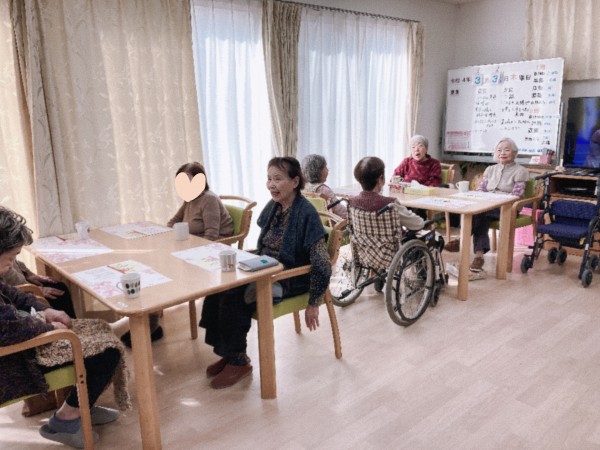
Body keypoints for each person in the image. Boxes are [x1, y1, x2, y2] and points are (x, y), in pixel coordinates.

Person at [0, 206, 128, 448]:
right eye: (11, 257)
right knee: (107, 352)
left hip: (20, 342)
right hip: (12, 362)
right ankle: (65, 420)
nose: (13, 263)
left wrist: (45, 310)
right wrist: (49, 328)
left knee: (97, 332)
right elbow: (9, 329)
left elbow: (14, 295)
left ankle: (82, 406)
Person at [199, 156, 331, 389]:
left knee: (234, 294)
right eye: (269, 178)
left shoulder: (306, 214)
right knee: (219, 286)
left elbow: (322, 262)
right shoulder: (274, 206)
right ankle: (230, 353)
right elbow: (263, 247)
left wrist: (314, 302)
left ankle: (239, 361)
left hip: (288, 278)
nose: (271, 184)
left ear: (295, 182)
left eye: (277, 179)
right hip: (264, 268)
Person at [120, 162, 234, 348]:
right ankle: (151, 321)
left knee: (164, 270)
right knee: (153, 266)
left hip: (213, 251)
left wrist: (187, 251)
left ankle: (152, 323)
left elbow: (212, 236)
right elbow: (173, 221)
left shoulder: (209, 200)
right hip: (192, 245)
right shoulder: (189, 199)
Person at [445, 138, 530, 272]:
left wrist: (496, 200)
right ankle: (479, 257)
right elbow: (481, 190)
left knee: (479, 214)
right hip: (488, 206)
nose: (502, 153)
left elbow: (516, 195)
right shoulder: (490, 169)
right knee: (479, 215)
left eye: (507, 150)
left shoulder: (521, 171)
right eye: (499, 150)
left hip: (507, 206)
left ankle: (462, 240)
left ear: (514, 153)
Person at [1, 259, 76, 318]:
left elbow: (14, 260)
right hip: (18, 290)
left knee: (58, 285)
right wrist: (35, 289)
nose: (10, 265)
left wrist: (28, 274)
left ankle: (70, 322)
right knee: (58, 294)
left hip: (17, 286)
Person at [301, 154, 347, 219]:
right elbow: (341, 212)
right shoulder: (324, 190)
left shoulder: (303, 188)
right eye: (325, 167)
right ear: (319, 171)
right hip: (329, 224)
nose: (328, 170)